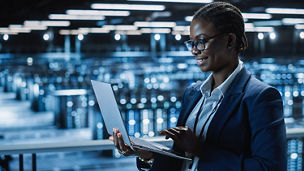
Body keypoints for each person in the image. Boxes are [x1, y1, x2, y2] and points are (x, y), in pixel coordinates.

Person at [111, 1, 287, 171]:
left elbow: (270, 168)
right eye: (192, 43)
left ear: (230, 41)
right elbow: (183, 160)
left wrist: (203, 150)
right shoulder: (193, 93)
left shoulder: (261, 97)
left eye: (201, 41)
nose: (194, 50)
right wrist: (148, 155)